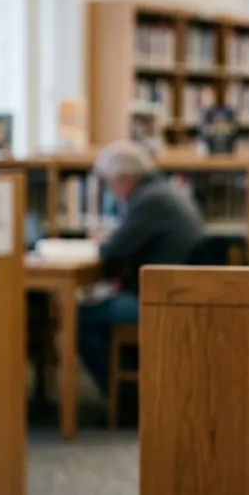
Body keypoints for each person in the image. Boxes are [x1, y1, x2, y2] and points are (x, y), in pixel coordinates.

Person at [79, 140, 204, 401]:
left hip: (162, 299)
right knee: (98, 309)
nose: (110, 191)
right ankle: (128, 386)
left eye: (110, 183)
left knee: (80, 316)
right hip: (175, 291)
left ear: (126, 178)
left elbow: (112, 252)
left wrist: (106, 241)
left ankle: (125, 396)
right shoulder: (161, 192)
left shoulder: (149, 201)